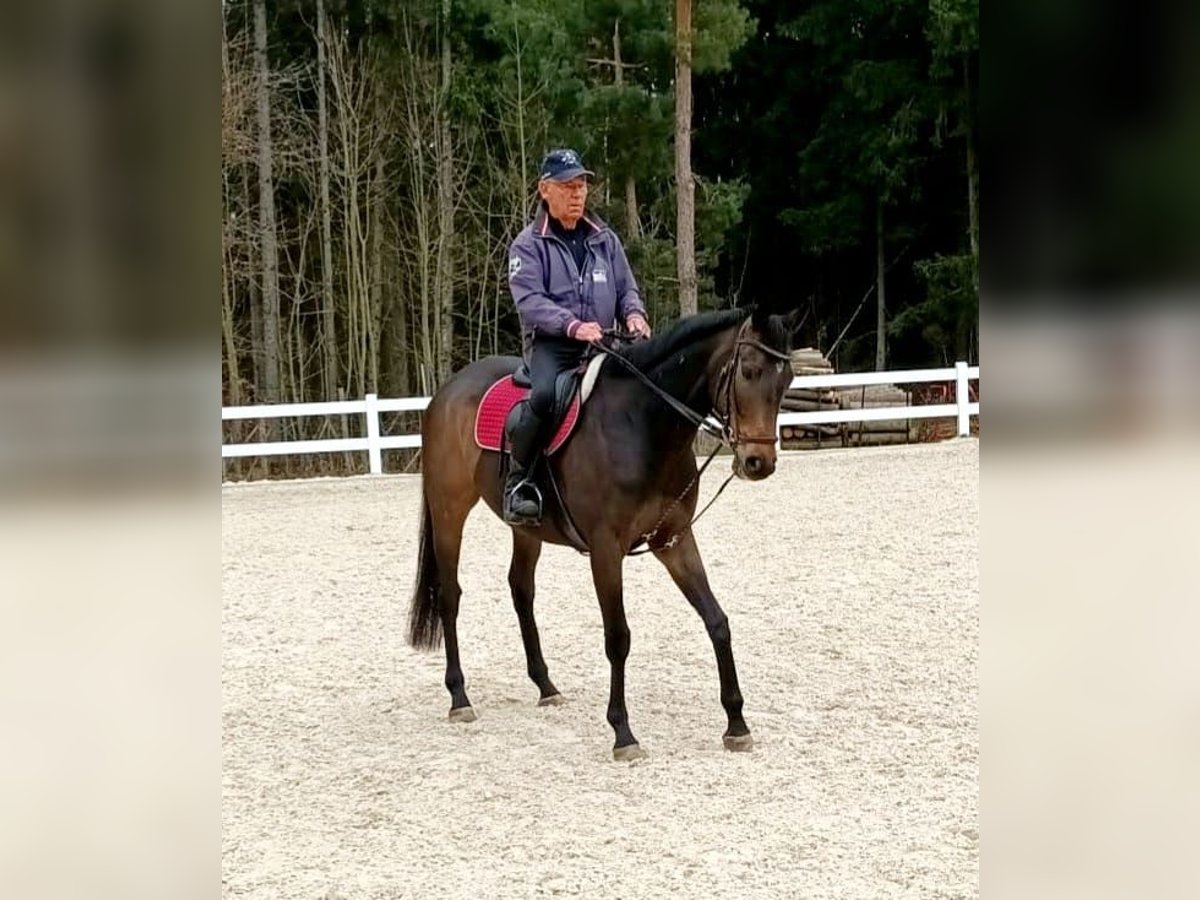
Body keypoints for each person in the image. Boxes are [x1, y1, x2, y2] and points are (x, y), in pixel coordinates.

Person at [503, 148, 652, 525]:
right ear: (544, 190)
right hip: (553, 345)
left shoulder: (605, 240)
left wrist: (634, 315)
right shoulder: (527, 245)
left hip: (604, 341)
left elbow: (626, 289)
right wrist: (572, 325)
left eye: (582, 185)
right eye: (568, 185)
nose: (578, 193)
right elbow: (531, 302)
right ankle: (519, 483)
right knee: (545, 395)